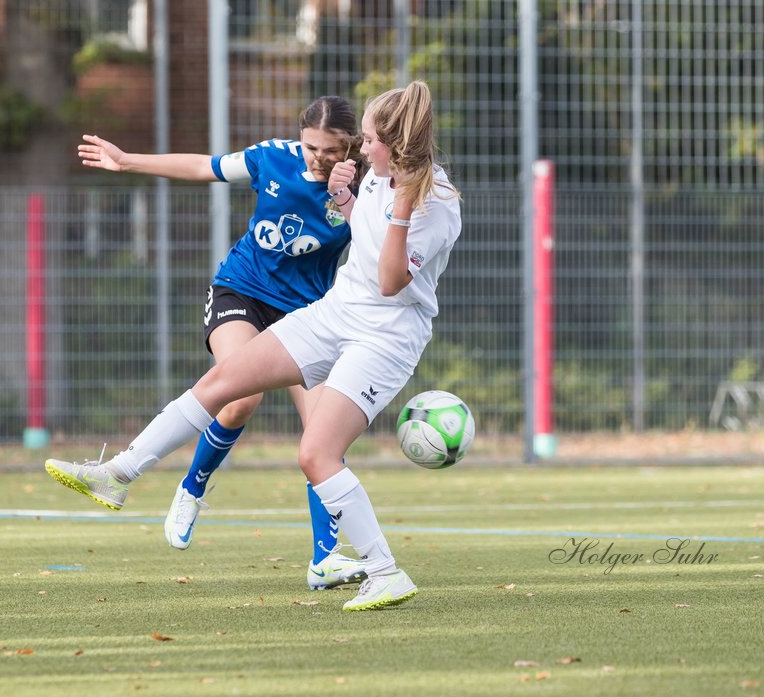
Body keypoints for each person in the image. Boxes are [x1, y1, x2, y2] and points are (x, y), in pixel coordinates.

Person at [47, 81, 461, 612]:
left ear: (393, 146)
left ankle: (383, 571)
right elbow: (364, 231)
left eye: (367, 140)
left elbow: (388, 280)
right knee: (224, 382)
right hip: (332, 313)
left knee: (316, 453)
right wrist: (345, 200)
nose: (358, 147)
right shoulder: (373, 174)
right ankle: (118, 474)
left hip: (384, 339)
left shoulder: (435, 203)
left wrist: (399, 205)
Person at [63, 96, 369, 591]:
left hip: (310, 315)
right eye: (312, 146)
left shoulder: (362, 187)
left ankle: (324, 561)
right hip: (241, 292)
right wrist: (128, 160)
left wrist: (350, 202)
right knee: (239, 397)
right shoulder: (272, 157)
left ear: (350, 146)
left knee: (323, 434)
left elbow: (379, 246)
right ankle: (192, 487)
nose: (318, 158)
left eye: (331, 150)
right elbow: (203, 167)